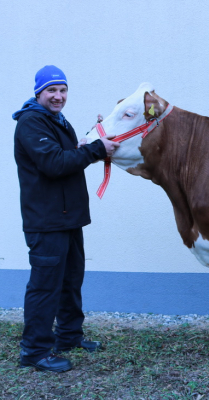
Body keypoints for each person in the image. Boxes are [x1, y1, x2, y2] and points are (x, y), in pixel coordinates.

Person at [12, 65, 120, 372]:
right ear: (39, 93)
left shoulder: (56, 121)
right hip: (46, 222)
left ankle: (69, 336)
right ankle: (34, 351)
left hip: (67, 218)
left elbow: (69, 152)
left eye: (63, 90)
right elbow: (55, 163)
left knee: (71, 280)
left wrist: (94, 137)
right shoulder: (31, 123)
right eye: (52, 91)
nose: (58, 96)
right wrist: (98, 149)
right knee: (45, 286)